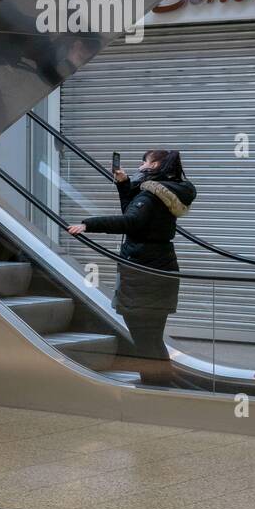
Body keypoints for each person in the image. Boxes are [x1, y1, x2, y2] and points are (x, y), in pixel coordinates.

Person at [66, 150, 196, 384]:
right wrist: (124, 184)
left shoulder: (150, 196)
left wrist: (88, 225)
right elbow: (137, 216)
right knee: (152, 338)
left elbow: (131, 221)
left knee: (144, 339)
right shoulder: (166, 192)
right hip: (161, 266)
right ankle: (161, 386)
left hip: (142, 271)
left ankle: (154, 385)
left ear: (155, 164)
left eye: (145, 160)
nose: (141, 164)